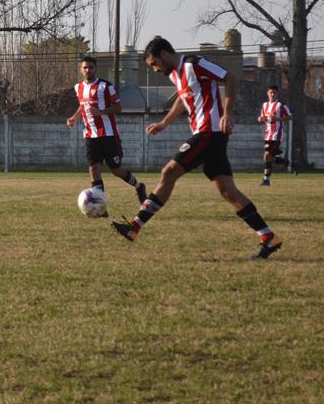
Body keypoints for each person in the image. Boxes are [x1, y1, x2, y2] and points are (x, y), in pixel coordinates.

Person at [111, 37, 283, 259]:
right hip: (208, 134)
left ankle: (134, 227)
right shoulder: (175, 75)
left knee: (169, 172)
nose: (155, 69)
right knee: (227, 190)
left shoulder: (194, 63)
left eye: (154, 64)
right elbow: (183, 100)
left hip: (209, 131)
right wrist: (164, 123)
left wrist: (227, 113)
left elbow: (229, 78)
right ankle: (268, 236)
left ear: (164, 54)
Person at [66, 56, 146, 206]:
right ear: (81, 69)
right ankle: (99, 205)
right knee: (93, 168)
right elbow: (83, 106)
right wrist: (74, 118)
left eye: (90, 67)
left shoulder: (105, 86)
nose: (88, 70)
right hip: (90, 134)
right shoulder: (78, 87)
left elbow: (118, 107)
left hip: (108, 134)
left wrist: (101, 111)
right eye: (85, 67)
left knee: (116, 170)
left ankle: (139, 186)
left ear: (95, 68)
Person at [257, 85, 292, 186]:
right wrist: (260, 119)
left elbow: (290, 117)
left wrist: (278, 119)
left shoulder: (281, 105)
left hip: (277, 134)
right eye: (271, 92)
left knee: (267, 156)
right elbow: (263, 117)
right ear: (267, 93)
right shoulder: (264, 105)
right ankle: (289, 163)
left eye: (274, 92)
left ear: (277, 94)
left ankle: (266, 180)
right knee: (269, 157)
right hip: (267, 134)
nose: (272, 94)